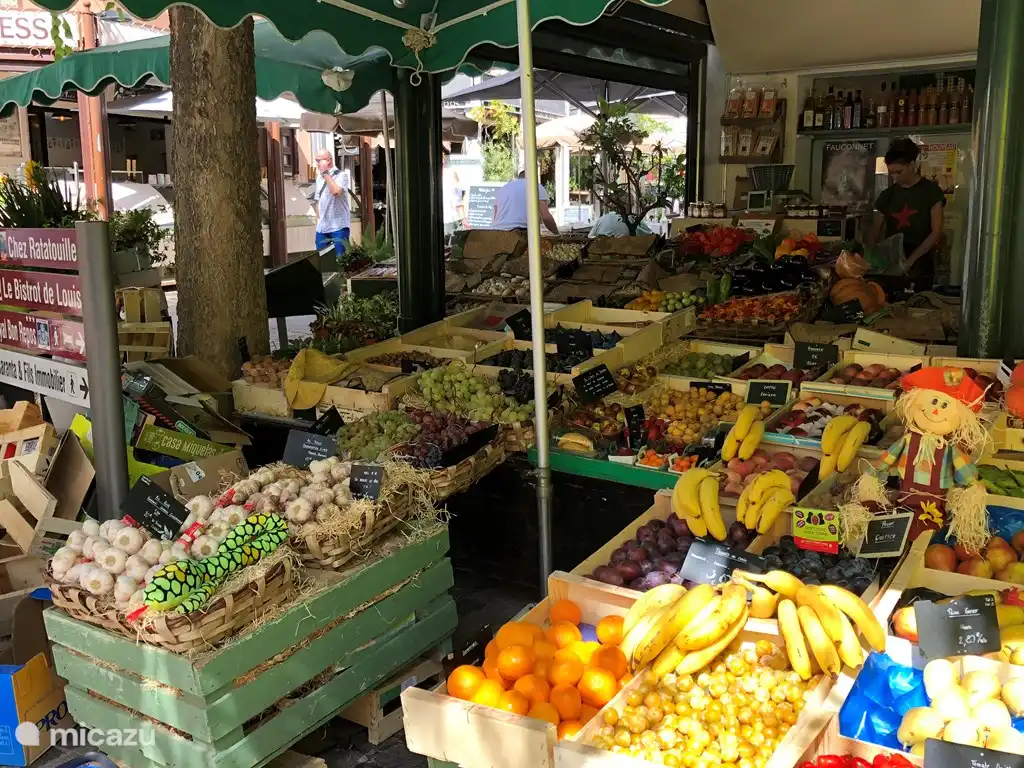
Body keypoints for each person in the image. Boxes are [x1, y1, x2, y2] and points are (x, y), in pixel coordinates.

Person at [866, 138, 946, 289]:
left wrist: (910, 262)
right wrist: (868, 256)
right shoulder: (888, 195)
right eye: (891, 173)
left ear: (911, 165)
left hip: (921, 258)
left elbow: (936, 232)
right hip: (892, 260)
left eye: (899, 172)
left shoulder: (930, 191)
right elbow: (874, 231)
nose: (895, 177)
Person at [491, 170, 559, 234]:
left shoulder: (503, 189)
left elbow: (495, 216)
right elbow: (546, 217)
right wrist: (557, 234)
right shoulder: (535, 186)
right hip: (521, 231)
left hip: (498, 231)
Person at [312, 149, 350, 256]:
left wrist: (326, 173)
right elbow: (318, 201)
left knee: (340, 260)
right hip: (322, 227)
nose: (317, 163)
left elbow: (335, 191)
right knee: (322, 261)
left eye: (318, 160)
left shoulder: (341, 176)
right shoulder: (319, 178)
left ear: (328, 160)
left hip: (338, 226)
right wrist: (318, 222)